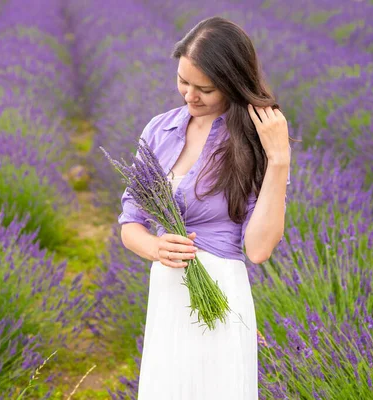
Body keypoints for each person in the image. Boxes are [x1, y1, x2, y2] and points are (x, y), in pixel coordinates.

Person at [118, 16, 295, 399]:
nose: (189, 96)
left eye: (205, 88)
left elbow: (259, 249)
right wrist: (155, 247)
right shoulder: (159, 130)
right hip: (167, 290)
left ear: (233, 83)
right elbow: (130, 222)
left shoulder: (252, 143)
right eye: (183, 81)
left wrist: (279, 159)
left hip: (221, 297)